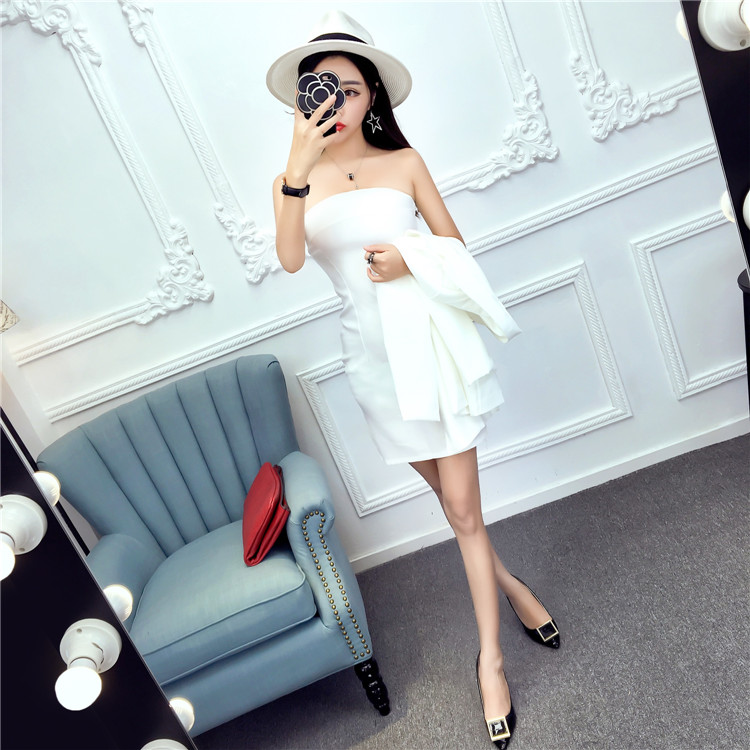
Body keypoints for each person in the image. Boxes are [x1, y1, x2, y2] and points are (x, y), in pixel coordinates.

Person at [267, 11, 560, 748]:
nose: (339, 102)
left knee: (462, 510)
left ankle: (490, 661)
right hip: (373, 367)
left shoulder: (404, 162)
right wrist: (298, 164)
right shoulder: (292, 182)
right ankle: (515, 588)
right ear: (305, 99)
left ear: (372, 95)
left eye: (351, 89)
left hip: (430, 351)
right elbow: (292, 260)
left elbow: (454, 244)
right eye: (322, 89)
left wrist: (410, 257)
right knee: (458, 511)